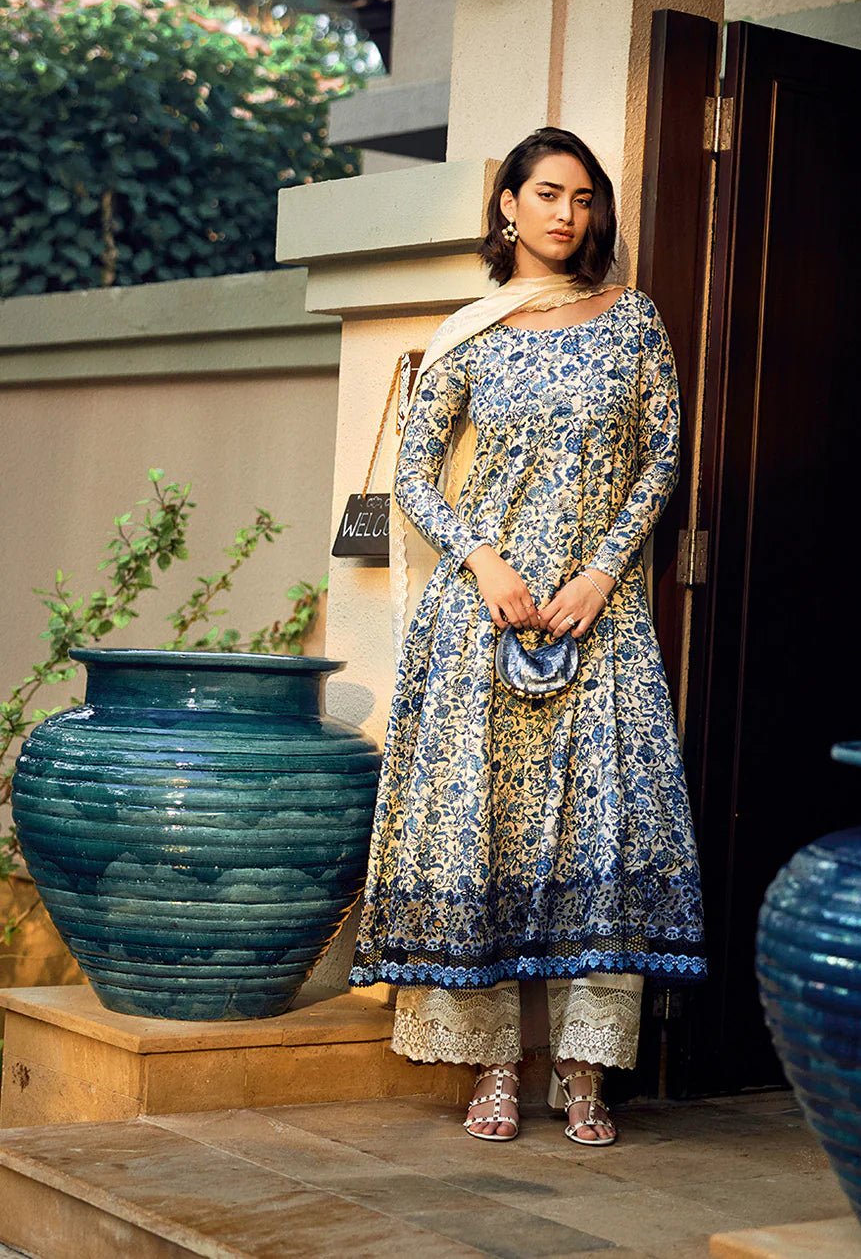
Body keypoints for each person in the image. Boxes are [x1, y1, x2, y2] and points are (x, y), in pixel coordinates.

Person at [350, 127, 707, 1145]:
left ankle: (586, 1074)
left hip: (602, 618)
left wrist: (602, 570)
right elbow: (416, 475)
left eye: (585, 198)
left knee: (601, 832)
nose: (568, 214)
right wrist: (482, 560)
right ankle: (494, 1069)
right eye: (548, 193)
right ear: (507, 205)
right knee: (486, 831)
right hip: (483, 621)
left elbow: (663, 457)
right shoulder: (471, 333)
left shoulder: (634, 320)